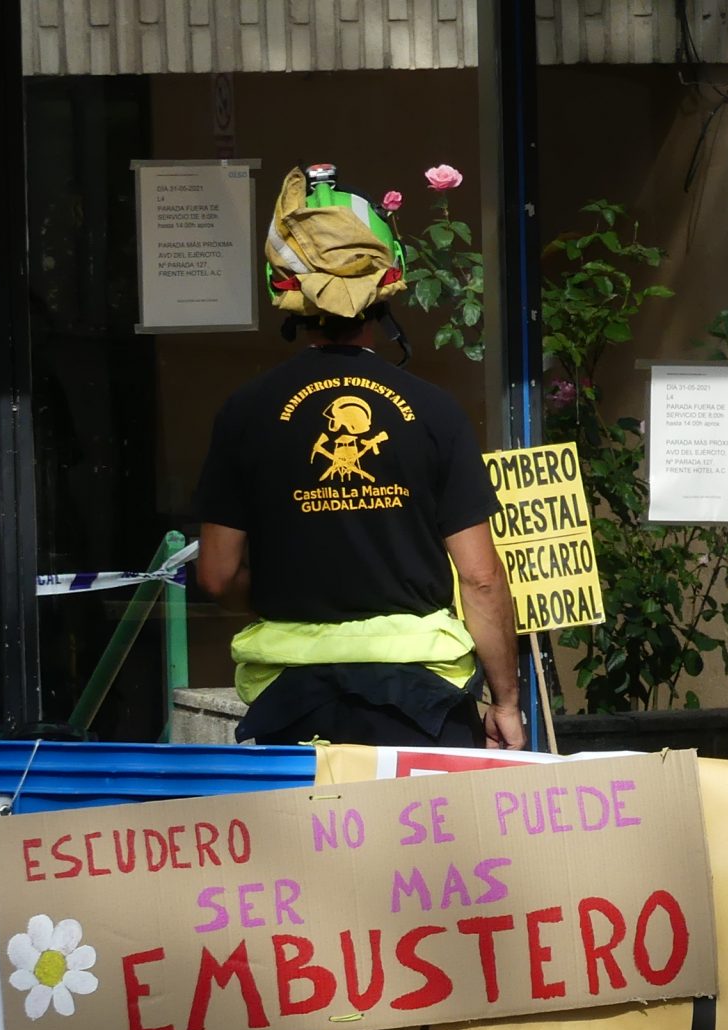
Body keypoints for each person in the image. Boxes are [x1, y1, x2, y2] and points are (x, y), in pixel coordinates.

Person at [193, 165, 524, 750]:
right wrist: (505, 701)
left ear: (285, 288)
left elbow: (217, 574)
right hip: (423, 706)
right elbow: (479, 576)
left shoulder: (243, 412)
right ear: (386, 288)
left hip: (291, 707)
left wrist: (286, 588)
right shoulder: (436, 411)